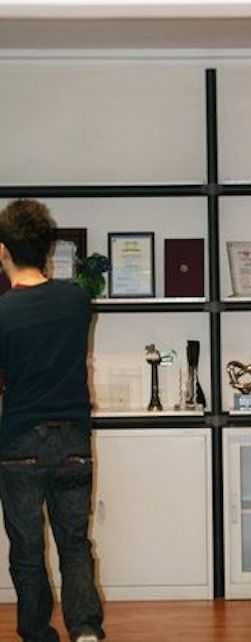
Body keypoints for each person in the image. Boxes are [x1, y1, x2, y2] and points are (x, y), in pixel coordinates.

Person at [0, 199, 104, 642]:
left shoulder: (3, 311)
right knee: (75, 544)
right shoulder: (77, 300)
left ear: (3, 250)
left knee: (27, 551)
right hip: (73, 443)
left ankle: (37, 633)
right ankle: (86, 630)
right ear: (47, 248)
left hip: (19, 445)